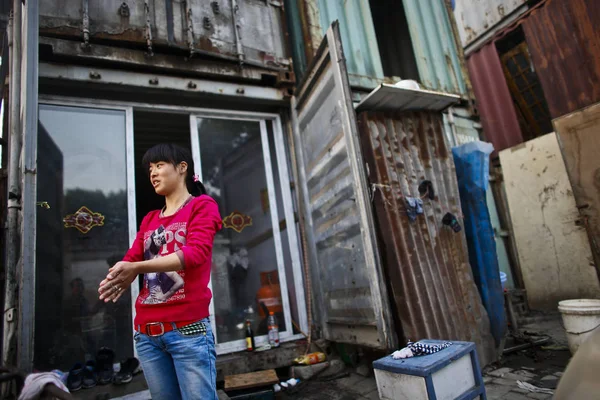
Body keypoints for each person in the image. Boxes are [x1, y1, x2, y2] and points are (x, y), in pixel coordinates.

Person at [98, 143, 222, 400]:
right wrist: (119, 274)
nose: (152, 173)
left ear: (182, 168)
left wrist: (137, 268)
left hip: (188, 330)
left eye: (159, 165)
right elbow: (132, 256)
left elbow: (194, 253)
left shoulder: (202, 206)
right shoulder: (150, 219)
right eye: (150, 168)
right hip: (146, 335)